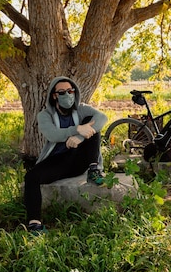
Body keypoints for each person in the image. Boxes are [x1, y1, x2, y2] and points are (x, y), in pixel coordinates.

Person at [24, 76, 108, 234]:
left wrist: (79, 137)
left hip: (80, 160)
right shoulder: (45, 115)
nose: (67, 95)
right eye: (62, 92)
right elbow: (53, 135)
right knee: (31, 177)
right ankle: (34, 224)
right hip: (58, 162)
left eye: (70, 91)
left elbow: (102, 118)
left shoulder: (81, 109)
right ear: (54, 95)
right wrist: (76, 129)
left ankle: (93, 170)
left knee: (92, 123)